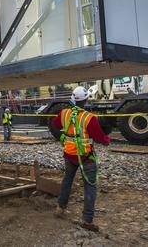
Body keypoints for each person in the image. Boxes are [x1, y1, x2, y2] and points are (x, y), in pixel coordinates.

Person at [52, 86, 110, 231]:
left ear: (73, 99)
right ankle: (87, 220)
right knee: (90, 186)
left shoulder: (64, 113)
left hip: (69, 154)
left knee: (67, 180)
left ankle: (60, 208)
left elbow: (54, 124)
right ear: (86, 100)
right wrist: (106, 140)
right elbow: (99, 137)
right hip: (86, 156)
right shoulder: (89, 118)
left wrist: (62, 136)